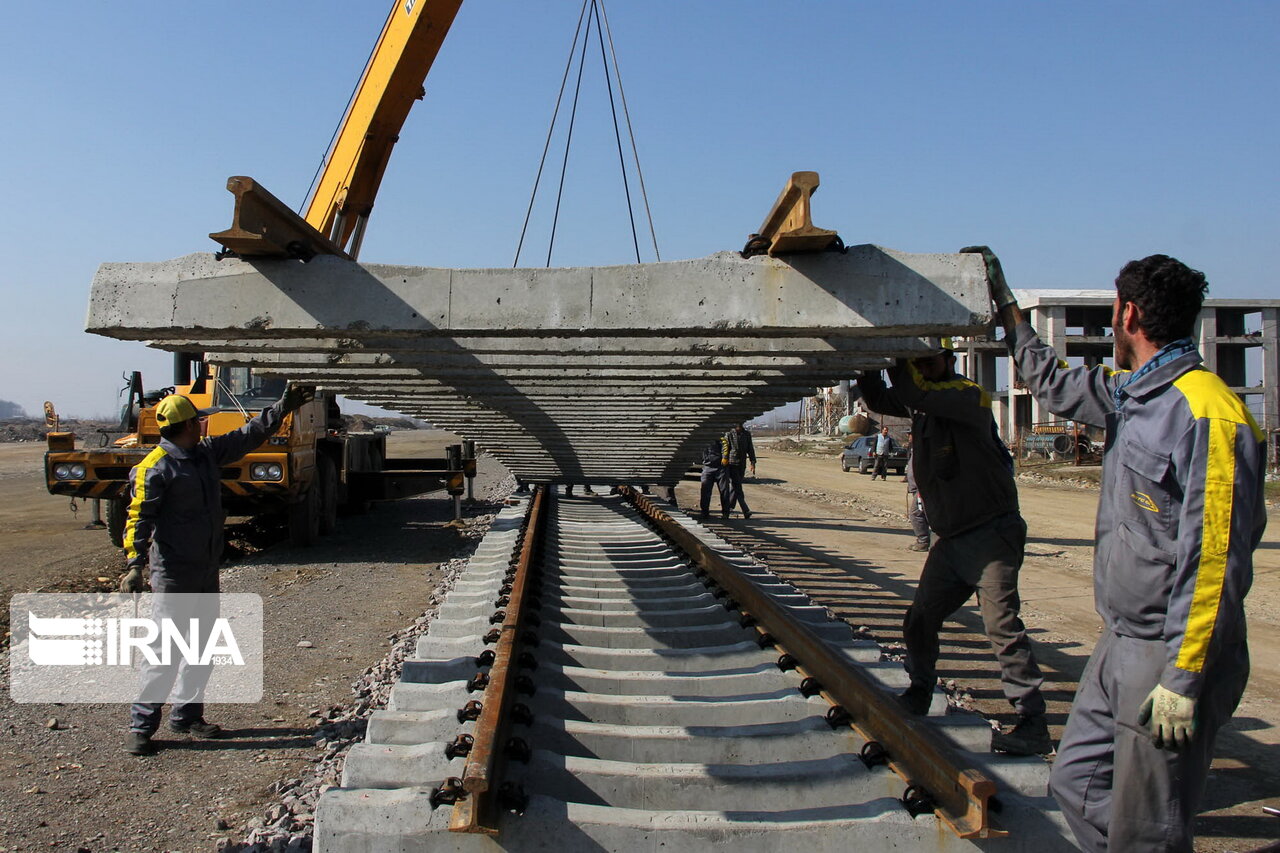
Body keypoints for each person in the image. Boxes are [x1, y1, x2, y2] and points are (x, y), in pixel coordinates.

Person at [974, 246, 1265, 851]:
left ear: (1128, 314)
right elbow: (1052, 385)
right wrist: (1008, 311)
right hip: (1121, 642)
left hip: (1172, 651)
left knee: (1148, 827)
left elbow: (1214, 561)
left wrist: (1184, 681)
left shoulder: (1207, 410)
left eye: (1113, 310)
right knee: (1076, 783)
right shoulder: (1132, 395)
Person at [857, 341, 1049, 755]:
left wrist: (895, 353)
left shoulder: (966, 395)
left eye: (929, 361)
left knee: (1001, 626)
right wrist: (865, 362)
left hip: (990, 534)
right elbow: (878, 399)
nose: (924, 370)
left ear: (949, 361)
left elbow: (914, 392)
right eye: (918, 364)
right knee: (920, 619)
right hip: (952, 539)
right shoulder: (923, 406)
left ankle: (1033, 721)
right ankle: (920, 690)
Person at [120, 384, 314, 756]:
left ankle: (187, 717)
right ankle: (141, 726)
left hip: (206, 570)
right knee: (165, 651)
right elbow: (137, 518)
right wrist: (133, 565)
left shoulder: (205, 454)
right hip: (174, 575)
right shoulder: (154, 469)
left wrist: (283, 406)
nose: (203, 426)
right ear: (186, 426)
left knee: (201, 648)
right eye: (197, 421)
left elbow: (250, 433)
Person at [721, 423, 756, 519]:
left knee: (736, 486)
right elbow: (725, 448)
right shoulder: (729, 434)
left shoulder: (746, 434)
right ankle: (745, 510)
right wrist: (724, 460)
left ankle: (729, 508)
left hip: (742, 464)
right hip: (731, 464)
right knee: (737, 487)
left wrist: (752, 462)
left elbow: (750, 449)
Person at [904, 429, 930, 551]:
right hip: (917, 487)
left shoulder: (923, 449)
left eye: (910, 434)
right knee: (923, 514)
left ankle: (923, 541)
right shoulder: (915, 449)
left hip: (922, 488)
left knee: (916, 514)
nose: (908, 437)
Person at [698, 434, 729, 519]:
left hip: (720, 467)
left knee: (724, 491)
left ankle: (725, 513)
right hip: (707, 467)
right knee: (705, 490)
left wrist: (725, 457)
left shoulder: (717, 433)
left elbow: (725, 444)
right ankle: (704, 512)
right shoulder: (700, 437)